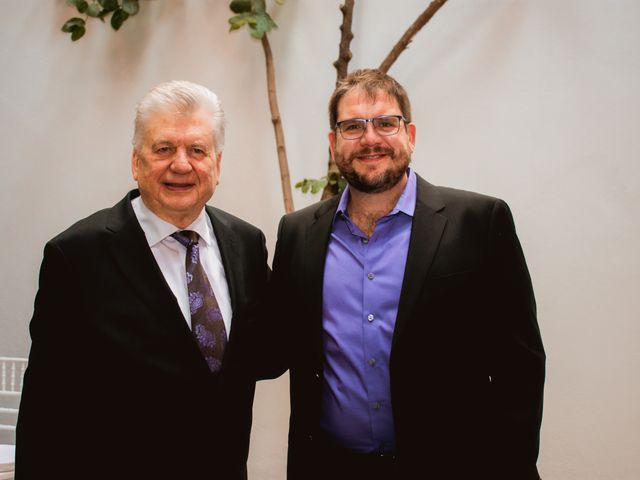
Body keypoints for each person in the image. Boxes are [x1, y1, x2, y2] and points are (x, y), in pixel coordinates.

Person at [265, 69, 545, 479]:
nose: (370, 138)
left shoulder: (479, 222)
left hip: (453, 465)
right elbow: (276, 343)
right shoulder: (298, 233)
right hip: (332, 466)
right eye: (353, 126)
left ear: (409, 135)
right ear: (333, 142)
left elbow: (519, 366)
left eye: (385, 123)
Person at [16, 80, 269, 479]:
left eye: (197, 150)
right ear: (136, 162)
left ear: (217, 165)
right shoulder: (76, 256)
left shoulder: (247, 244)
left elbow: (262, 354)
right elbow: (46, 406)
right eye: (164, 148)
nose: (181, 164)